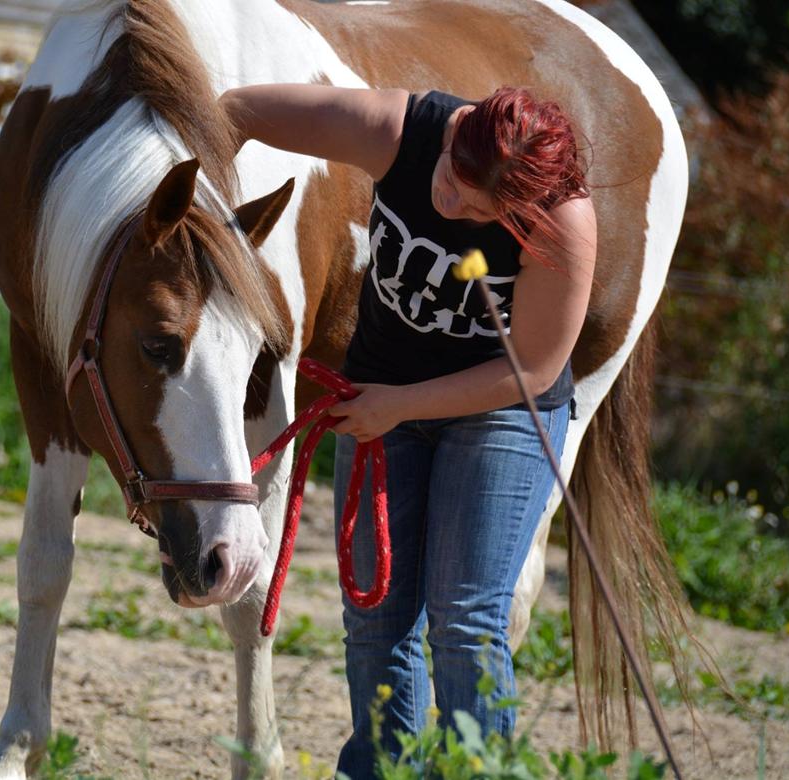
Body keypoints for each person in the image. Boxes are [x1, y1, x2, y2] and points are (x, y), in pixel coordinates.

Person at [219, 83, 596, 777]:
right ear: (452, 138)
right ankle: (380, 769)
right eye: (450, 178)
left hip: (502, 408)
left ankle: (473, 770)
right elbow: (233, 110)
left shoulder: (562, 223)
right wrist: (205, 209)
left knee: (465, 620)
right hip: (380, 392)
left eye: (478, 210)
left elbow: (535, 370)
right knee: (375, 617)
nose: (451, 203)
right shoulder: (399, 129)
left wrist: (399, 405)